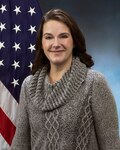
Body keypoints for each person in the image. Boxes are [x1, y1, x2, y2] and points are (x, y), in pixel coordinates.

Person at [11, 8, 120, 150]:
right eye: (49, 37)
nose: (56, 44)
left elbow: (112, 145)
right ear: (42, 43)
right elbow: (20, 145)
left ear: (74, 41)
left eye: (63, 36)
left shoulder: (94, 83)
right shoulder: (28, 86)